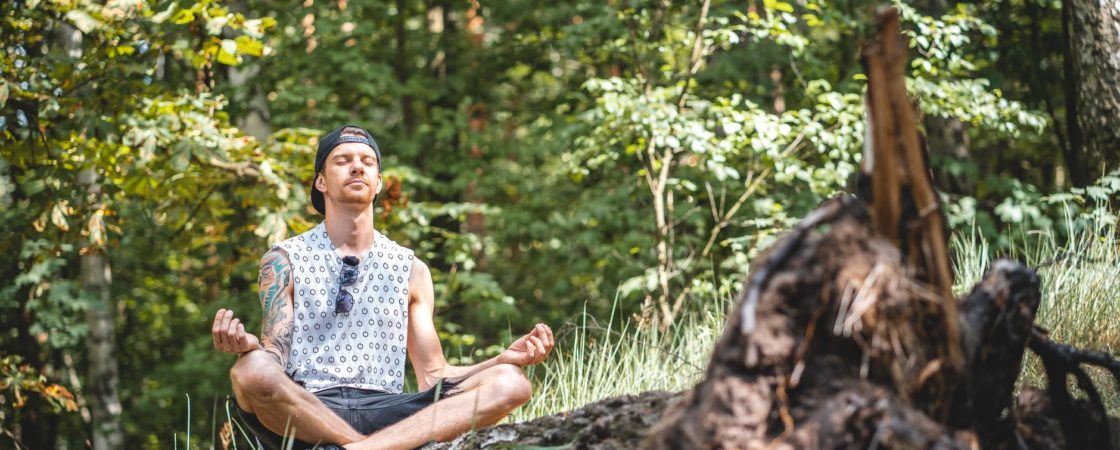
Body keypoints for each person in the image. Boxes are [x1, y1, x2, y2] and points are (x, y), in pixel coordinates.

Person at [211, 125, 554, 450]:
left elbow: (433, 374)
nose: (357, 167)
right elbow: (274, 358)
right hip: (307, 410)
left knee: (510, 381)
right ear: (321, 181)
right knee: (250, 370)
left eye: (367, 161)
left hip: (387, 410)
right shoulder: (284, 259)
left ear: (377, 183)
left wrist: (501, 359)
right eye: (342, 161)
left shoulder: (411, 269)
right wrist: (251, 348)